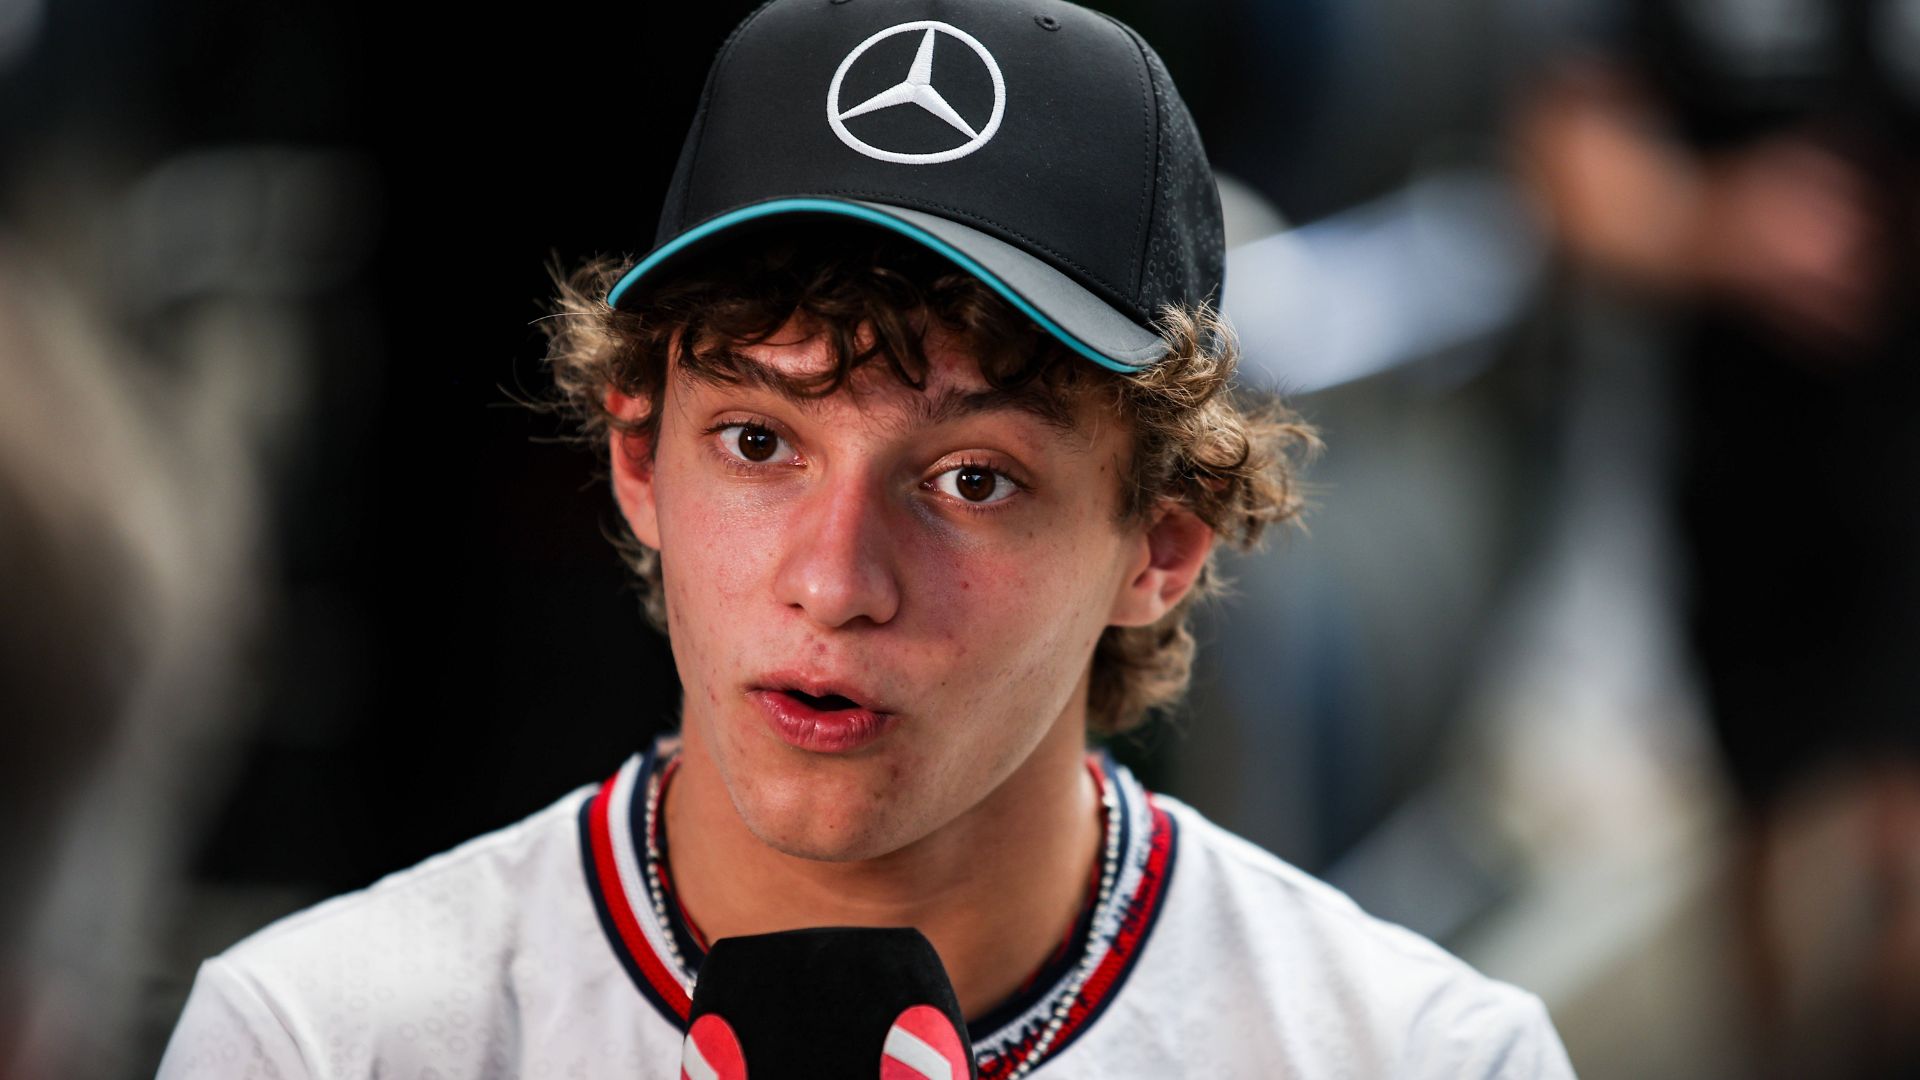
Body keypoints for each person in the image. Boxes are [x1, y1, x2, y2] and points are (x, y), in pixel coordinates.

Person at [158, 0, 1576, 1075]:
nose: (834, 581)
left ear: (1163, 545)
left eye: (970, 480)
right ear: (639, 461)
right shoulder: (314, 1041)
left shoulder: (1425, 1056)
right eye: (761, 443)